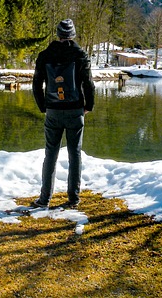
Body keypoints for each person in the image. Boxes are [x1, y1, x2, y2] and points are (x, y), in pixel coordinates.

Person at [31, 18, 95, 208]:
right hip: (75, 110)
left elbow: (36, 84)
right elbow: (88, 83)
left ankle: (44, 199)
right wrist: (88, 106)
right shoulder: (80, 55)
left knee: (50, 154)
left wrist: (43, 106)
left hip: (53, 110)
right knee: (74, 154)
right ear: (72, 34)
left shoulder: (45, 55)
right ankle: (73, 199)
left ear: (57, 34)